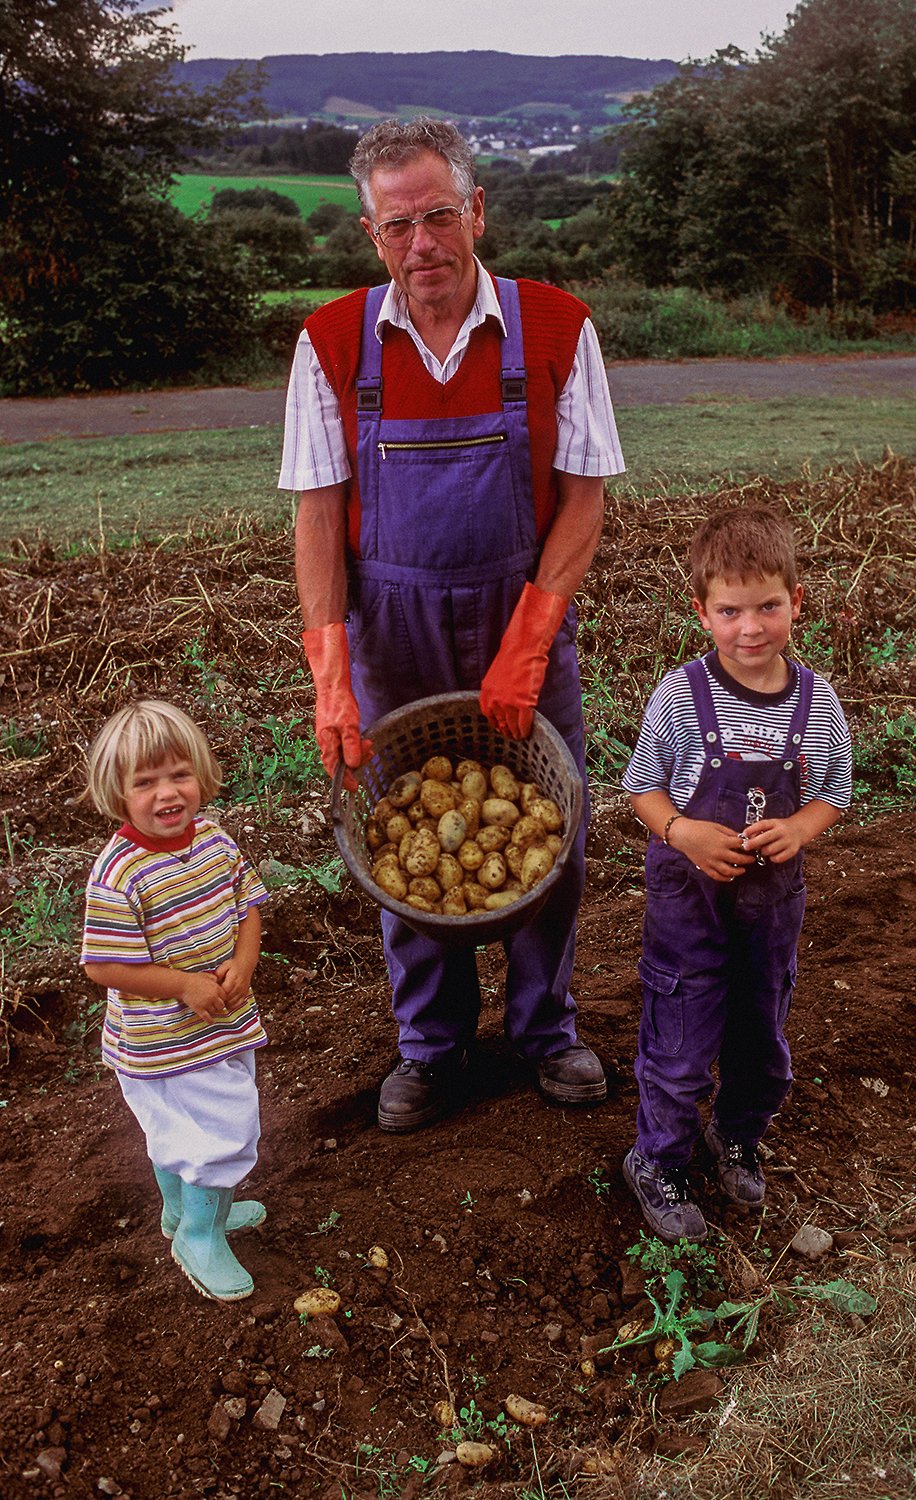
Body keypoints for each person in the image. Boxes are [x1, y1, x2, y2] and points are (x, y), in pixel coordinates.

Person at [279, 117, 625, 1132]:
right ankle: (430, 1047)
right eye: (397, 226)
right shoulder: (332, 342)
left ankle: (545, 1030)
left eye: (438, 216)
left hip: (519, 611)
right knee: (398, 831)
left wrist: (529, 641)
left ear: (476, 211)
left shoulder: (556, 326)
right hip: (391, 630)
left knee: (551, 827)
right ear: (368, 233)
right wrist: (330, 675)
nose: (421, 245)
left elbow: (584, 496)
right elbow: (313, 513)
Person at [621, 507, 852, 1242]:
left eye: (767, 607)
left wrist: (797, 827)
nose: (749, 628)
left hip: (769, 909)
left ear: (795, 600)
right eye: (729, 611)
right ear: (701, 611)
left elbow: (834, 792)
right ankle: (655, 1160)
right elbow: (640, 787)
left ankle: (736, 1133)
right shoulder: (679, 697)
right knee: (680, 1041)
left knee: (761, 1039)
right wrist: (681, 830)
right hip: (689, 905)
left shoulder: (816, 705)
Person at [81, 700, 269, 1301]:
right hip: (166, 1038)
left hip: (224, 1021)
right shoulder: (121, 873)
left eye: (178, 774)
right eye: (145, 782)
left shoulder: (212, 838)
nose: (167, 793)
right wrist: (184, 983)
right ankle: (199, 1234)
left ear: (201, 774)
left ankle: (182, 1212)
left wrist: (243, 963)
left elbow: (249, 905)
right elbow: (103, 964)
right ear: (118, 793)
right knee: (223, 1132)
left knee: (185, 1131)